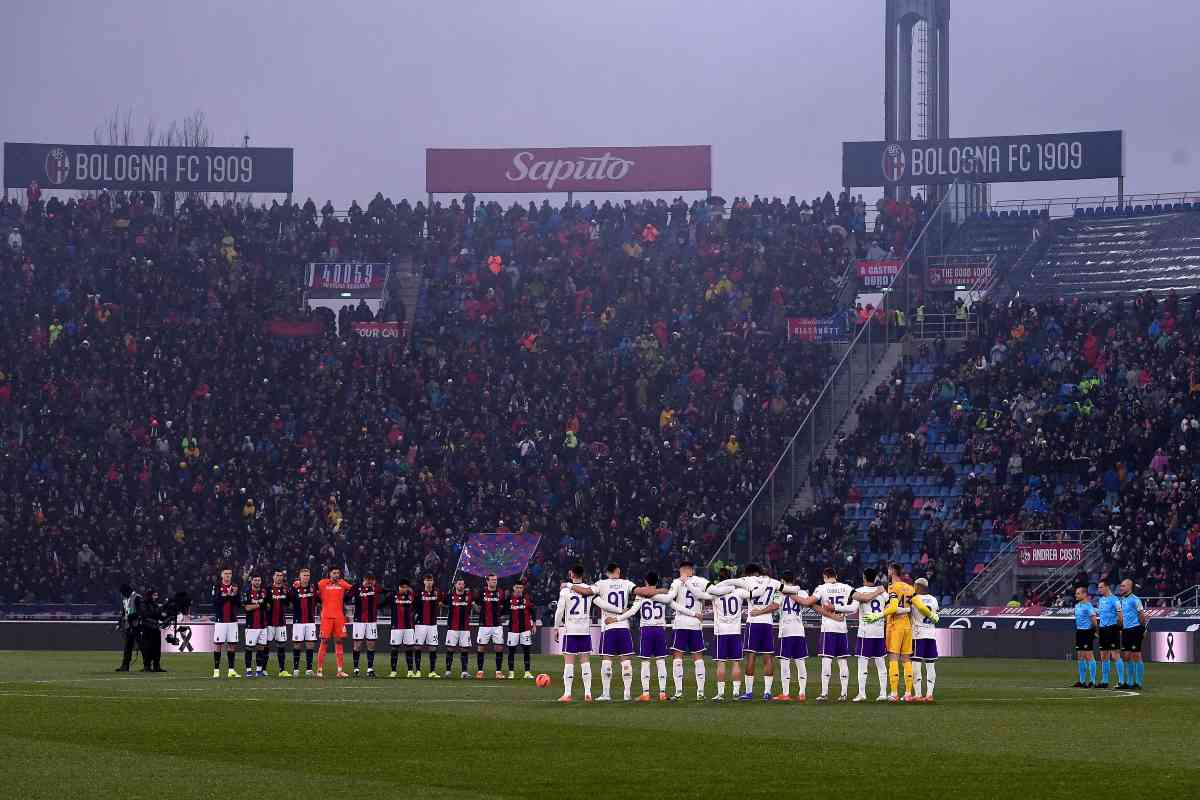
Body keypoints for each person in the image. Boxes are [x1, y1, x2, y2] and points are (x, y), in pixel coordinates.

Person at [863, 562, 940, 702]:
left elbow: (892, 608)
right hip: (908, 626)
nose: (887, 572)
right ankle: (908, 693)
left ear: (892, 571)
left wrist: (877, 615)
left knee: (893, 658)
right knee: (906, 659)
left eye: (888, 570)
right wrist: (932, 616)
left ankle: (893, 693)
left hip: (895, 626)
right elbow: (921, 606)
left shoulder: (893, 587)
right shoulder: (910, 588)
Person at [634, 560, 708, 700]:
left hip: (680, 624)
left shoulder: (677, 582)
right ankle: (700, 693)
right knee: (698, 658)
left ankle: (678, 693)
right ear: (692, 570)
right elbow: (709, 595)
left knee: (677, 657)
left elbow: (669, 599)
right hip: (695, 624)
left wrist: (648, 592)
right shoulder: (702, 581)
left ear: (683, 570)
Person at [710, 564, 782, 700]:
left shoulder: (745, 584)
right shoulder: (773, 584)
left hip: (752, 622)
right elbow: (776, 605)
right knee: (768, 657)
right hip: (767, 623)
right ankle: (767, 692)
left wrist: (758, 611)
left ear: (750, 574)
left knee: (751, 657)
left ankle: (748, 692)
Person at [604, 572, 674, 702]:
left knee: (645, 662)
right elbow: (672, 602)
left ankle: (646, 693)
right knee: (661, 661)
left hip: (647, 630)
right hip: (660, 630)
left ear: (646, 582)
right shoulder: (663, 594)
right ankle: (663, 693)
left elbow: (632, 612)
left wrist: (615, 619)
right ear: (656, 582)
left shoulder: (641, 595)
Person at [572, 563, 636, 702]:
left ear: (607, 573)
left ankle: (606, 694)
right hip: (623, 626)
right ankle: (627, 694)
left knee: (607, 660)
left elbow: (587, 592)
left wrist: (569, 585)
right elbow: (637, 592)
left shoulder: (601, 583)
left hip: (608, 628)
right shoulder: (627, 583)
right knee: (625, 660)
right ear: (618, 571)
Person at [809, 567, 856, 701]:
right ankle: (844, 694)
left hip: (828, 629)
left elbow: (811, 603)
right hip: (842, 628)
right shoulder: (846, 587)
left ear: (825, 576)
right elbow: (854, 607)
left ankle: (824, 694)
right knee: (843, 661)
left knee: (826, 660)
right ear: (836, 576)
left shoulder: (821, 588)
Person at [554, 564, 595, 702]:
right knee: (585, 661)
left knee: (569, 662)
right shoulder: (589, 590)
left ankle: (567, 694)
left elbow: (560, 611)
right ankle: (588, 693)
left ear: (571, 574)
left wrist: (556, 627)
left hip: (570, 630)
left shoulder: (565, 591)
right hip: (584, 630)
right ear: (583, 575)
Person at [706, 567, 748, 701]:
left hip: (721, 632)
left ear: (719, 579)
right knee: (736, 663)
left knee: (721, 663)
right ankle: (736, 692)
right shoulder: (739, 592)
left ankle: (721, 693)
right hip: (735, 631)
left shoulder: (715, 593)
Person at [851, 568, 889, 702]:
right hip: (879, 632)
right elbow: (888, 604)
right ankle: (883, 693)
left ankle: (862, 694)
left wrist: (837, 610)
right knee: (881, 664)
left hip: (865, 633)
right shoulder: (883, 592)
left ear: (863, 577)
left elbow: (853, 609)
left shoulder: (859, 591)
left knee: (862, 664)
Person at [316, 567, 352, 678]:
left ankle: (340, 671)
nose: (336, 575)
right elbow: (313, 591)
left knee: (339, 641)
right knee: (324, 641)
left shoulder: (342, 583)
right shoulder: (323, 583)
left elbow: (353, 590)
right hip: (326, 617)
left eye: (338, 573)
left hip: (339, 617)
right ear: (329, 574)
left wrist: (345, 599)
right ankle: (319, 670)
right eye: (334, 573)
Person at [910, 578, 941, 701]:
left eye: (914, 585)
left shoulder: (914, 599)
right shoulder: (933, 599)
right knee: (930, 664)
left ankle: (917, 694)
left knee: (916, 664)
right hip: (931, 634)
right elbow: (936, 614)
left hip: (918, 634)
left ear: (918, 586)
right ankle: (929, 694)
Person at [1117, 578, 1147, 690]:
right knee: (1126, 656)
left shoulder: (1135, 600)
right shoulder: (1122, 600)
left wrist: (1143, 629)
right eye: (1121, 586)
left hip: (1135, 630)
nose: (1121, 588)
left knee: (1136, 655)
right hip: (1125, 631)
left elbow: (1142, 616)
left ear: (1129, 587)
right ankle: (1129, 682)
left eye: (1123, 586)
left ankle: (1138, 683)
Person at [350, 573, 382, 677]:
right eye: (369, 580)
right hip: (359, 621)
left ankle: (370, 669)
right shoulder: (356, 588)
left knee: (371, 644)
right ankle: (356, 668)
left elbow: (388, 592)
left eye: (372, 580)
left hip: (371, 621)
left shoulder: (376, 588)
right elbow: (347, 596)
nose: (371, 582)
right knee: (357, 644)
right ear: (364, 579)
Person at [475, 574, 506, 679]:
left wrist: (500, 614)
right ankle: (480, 671)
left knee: (499, 647)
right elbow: (477, 606)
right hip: (484, 624)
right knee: (481, 647)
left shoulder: (500, 592)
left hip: (497, 624)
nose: (494, 582)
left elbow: (503, 606)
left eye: (495, 580)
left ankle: (498, 672)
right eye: (492, 580)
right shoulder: (481, 592)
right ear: (487, 581)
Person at [289, 568, 319, 676]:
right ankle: (296, 669)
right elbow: (289, 601)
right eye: (304, 575)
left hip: (310, 621)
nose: (306, 577)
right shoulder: (294, 587)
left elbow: (318, 599)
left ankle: (309, 669)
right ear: (300, 576)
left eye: (308, 575)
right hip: (298, 621)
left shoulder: (313, 587)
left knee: (310, 644)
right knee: (297, 644)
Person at [211, 568, 241, 678]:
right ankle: (216, 670)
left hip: (232, 620)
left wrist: (234, 595)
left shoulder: (235, 587)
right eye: (226, 573)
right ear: (222, 575)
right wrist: (228, 595)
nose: (228, 575)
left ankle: (231, 670)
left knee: (232, 645)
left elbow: (239, 604)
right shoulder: (217, 587)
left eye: (230, 573)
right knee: (218, 645)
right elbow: (216, 602)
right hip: (220, 621)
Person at [414, 573, 444, 678]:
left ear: (433, 581)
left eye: (431, 580)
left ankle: (432, 671)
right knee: (418, 647)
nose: (429, 582)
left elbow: (442, 602)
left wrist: (441, 603)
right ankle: (417, 671)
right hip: (420, 624)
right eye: (427, 580)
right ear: (424, 581)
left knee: (433, 648)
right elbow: (414, 605)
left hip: (432, 624)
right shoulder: (418, 592)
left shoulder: (437, 592)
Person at [506, 580, 537, 679]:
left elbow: (533, 612)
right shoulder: (509, 599)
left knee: (526, 651)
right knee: (511, 651)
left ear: (523, 589)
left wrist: (534, 625)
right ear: (513, 588)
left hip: (526, 629)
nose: (519, 590)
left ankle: (527, 672)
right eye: (517, 588)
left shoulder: (527, 598)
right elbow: (503, 610)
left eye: (521, 588)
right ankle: (511, 672)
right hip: (512, 630)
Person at [445, 578, 474, 678]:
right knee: (450, 648)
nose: (461, 586)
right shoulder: (450, 596)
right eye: (459, 584)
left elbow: (474, 605)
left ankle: (464, 672)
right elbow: (443, 603)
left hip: (465, 627)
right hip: (452, 627)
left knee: (464, 649)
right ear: (455, 585)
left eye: (462, 584)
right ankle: (448, 671)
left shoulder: (469, 596)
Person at [241, 574, 270, 678]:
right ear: (251, 581)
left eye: (259, 580)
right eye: (255, 580)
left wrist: (264, 605)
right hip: (251, 625)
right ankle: (248, 670)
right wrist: (259, 605)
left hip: (262, 625)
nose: (257, 582)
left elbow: (267, 605)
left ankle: (258, 670)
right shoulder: (246, 592)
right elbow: (247, 608)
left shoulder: (264, 592)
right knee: (249, 648)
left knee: (261, 648)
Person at [1095, 579, 1122, 688]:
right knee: (1103, 656)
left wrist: (1119, 628)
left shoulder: (1115, 600)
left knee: (1115, 655)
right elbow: (1101, 615)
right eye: (1098, 587)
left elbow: (1120, 616)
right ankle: (1104, 681)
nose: (1099, 589)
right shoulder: (1101, 600)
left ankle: (1121, 681)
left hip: (1112, 629)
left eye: (1101, 587)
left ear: (1107, 587)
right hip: (1103, 629)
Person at [388, 578, 417, 678]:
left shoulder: (412, 596)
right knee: (394, 648)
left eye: (405, 587)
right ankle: (393, 671)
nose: (403, 589)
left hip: (409, 627)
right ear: (399, 587)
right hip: (396, 626)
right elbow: (383, 604)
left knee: (409, 648)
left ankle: (410, 671)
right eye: (402, 587)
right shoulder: (392, 596)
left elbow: (418, 606)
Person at [1071, 585, 1098, 689]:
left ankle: (1092, 681)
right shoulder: (1077, 606)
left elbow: (1094, 620)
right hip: (1079, 632)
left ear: (1084, 594)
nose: (1076, 595)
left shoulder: (1088, 606)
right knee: (1080, 656)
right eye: (1076, 593)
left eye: (1078, 593)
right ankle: (1082, 681)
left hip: (1087, 632)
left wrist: (1095, 632)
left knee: (1089, 656)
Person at [267, 570, 291, 677]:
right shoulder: (267, 590)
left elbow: (289, 604)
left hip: (281, 622)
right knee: (266, 646)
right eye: (277, 575)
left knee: (281, 646)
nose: (279, 577)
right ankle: (263, 669)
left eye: (281, 576)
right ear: (273, 577)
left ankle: (282, 670)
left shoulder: (285, 590)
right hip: (269, 622)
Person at [137, 588, 166, 673]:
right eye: (154, 595)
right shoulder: (143, 603)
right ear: (150, 595)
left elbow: (158, 616)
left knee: (157, 648)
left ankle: (156, 666)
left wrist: (165, 615)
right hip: (147, 629)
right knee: (147, 648)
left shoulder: (155, 604)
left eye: (157, 595)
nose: (156, 597)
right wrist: (159, 611)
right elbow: (146, 614)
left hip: (155, 628)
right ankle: (147, 666)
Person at [116, 584, 142, 672]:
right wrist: (119, 623)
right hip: (128, 625)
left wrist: (132, 617)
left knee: (142, 645)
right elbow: (124, 612)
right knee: (128, 647)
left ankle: (148, 665)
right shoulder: (125, 599)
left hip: (137, 625)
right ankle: (125, 666)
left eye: (122, 593)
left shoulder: (137, 598)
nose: (122, 595)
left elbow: (140, 612)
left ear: (127, 591)